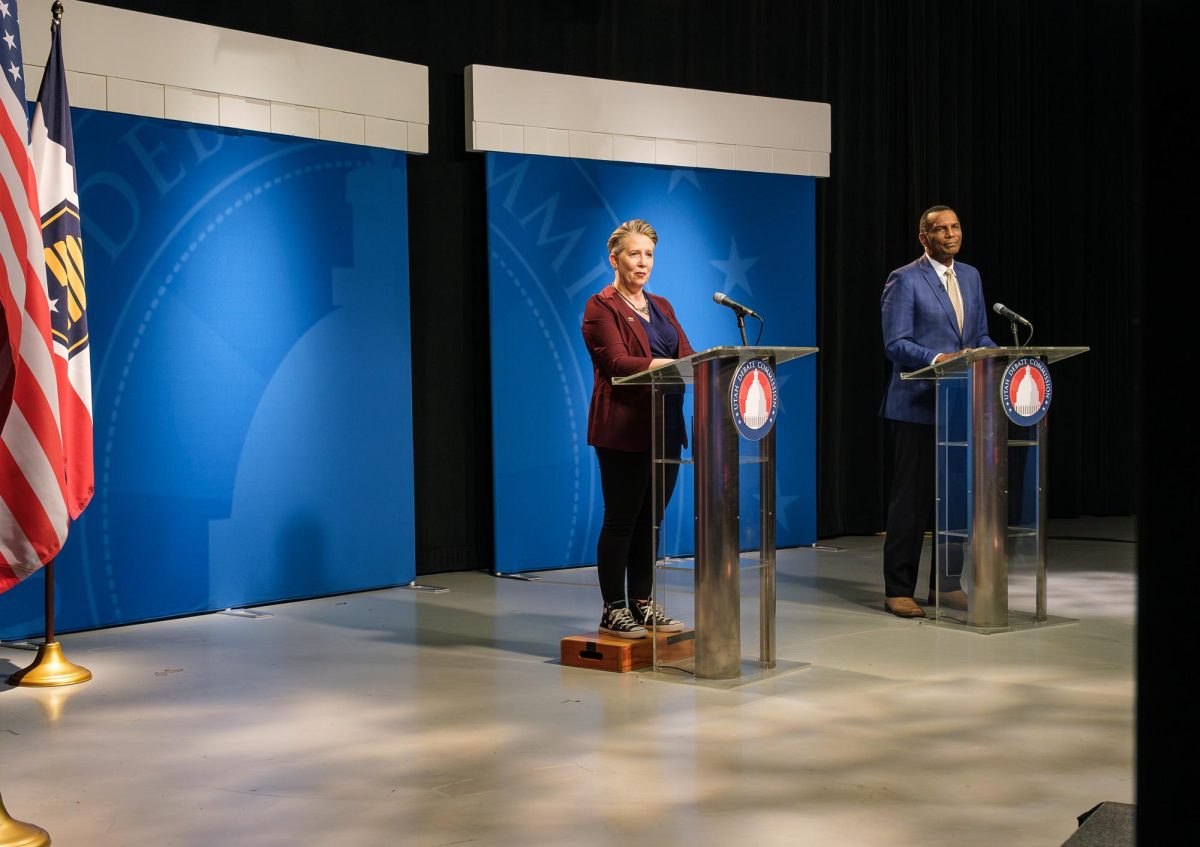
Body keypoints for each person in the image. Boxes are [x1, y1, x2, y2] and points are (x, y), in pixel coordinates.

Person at [880, 206, 996, 618]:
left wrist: (996, 355)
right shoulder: (905, 278)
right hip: (916, 406)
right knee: (911, 503)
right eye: (941, 229)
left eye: (956, 227)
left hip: (959, 405)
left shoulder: (971, 276)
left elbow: (978, 333)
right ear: (924, 237)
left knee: (955, 501)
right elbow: (896, 343)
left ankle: (945, 586)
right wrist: (941, 357)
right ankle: (899, 589)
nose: (951, 234)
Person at [582, 219, 695, 638]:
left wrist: (706, 364)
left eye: (648, 254)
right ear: (615, 259)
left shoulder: (662, 306)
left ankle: (643, 603)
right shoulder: (602, 307)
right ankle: (613, 608)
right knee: (622, 520)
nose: (642, 262)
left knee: (652, 521)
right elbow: (615, 364)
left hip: (665, 428)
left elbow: (688, 354)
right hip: (624, 430)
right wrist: (671, 366)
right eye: (634, 254)